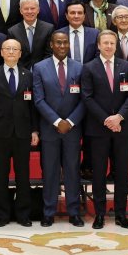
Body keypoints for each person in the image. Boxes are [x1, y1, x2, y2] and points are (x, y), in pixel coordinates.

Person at [82, 29, 128, 229]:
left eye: (111, 43)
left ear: (116, 46)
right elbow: (87, 97)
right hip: (98, 128)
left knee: (122, 172)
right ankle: (100, 214)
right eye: (104, 43)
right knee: (98, 173)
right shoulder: (88, 68)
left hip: (123, 127)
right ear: (98, 45)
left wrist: (119, 117)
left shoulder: (127, 66)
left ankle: (121, 214)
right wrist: (107, 119)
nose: (108, 46)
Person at [0, 38, 37, 227]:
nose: (12, 52)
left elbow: (33, 107)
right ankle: (3, 215)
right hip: (0, 132)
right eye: (8, 49)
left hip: (22, 132)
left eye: (16, 49)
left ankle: (23, 215)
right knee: (1, 175)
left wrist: (34, 130)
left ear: (21, 53)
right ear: (2, 52)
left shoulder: (28, 75)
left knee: (23, 175)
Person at [34, 31, 86, 226]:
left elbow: (84, 99)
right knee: (50, 171)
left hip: (73, 129)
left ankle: (74, 211)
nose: (62, 46)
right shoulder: (39, 68)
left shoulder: (80, 68)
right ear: (51, 45)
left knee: (73, 170)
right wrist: (57, 122)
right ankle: (49, 211)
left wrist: (70, 122)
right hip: (50, 129)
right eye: (58, 43)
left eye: (65, 42)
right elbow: (38, 100)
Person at [7, 0, 53, 69]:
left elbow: (49, 53)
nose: (29, 11)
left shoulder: (48, 29)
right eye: (26, 9)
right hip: (21, 72)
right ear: (21, 11)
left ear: (38, 10)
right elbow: (13, 55)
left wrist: (40, 69)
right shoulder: (12, 31)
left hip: (43, 70)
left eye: (32, 8)